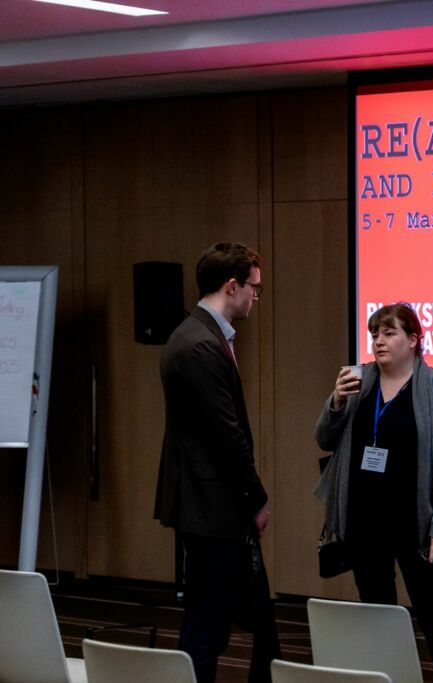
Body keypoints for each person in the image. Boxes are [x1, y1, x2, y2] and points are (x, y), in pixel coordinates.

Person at [313, 303, 433, 683]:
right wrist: (335, 402)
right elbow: (324, 438)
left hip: (416, 522)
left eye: (389, 333)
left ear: (413, 340)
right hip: (365, 519)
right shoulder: (357, 380)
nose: (379, 341)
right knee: (376, 611)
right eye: (375, 334)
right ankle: (386, 676)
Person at [154, 242, 280, 683]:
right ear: (232, 286)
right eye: (254, 288)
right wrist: (257, 499)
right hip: (212, 508)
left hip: (209, 504)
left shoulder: (198, 336)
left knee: (219, 621)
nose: (255, 297)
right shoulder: (200, 345)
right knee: (207, 628)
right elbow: (226, 437)